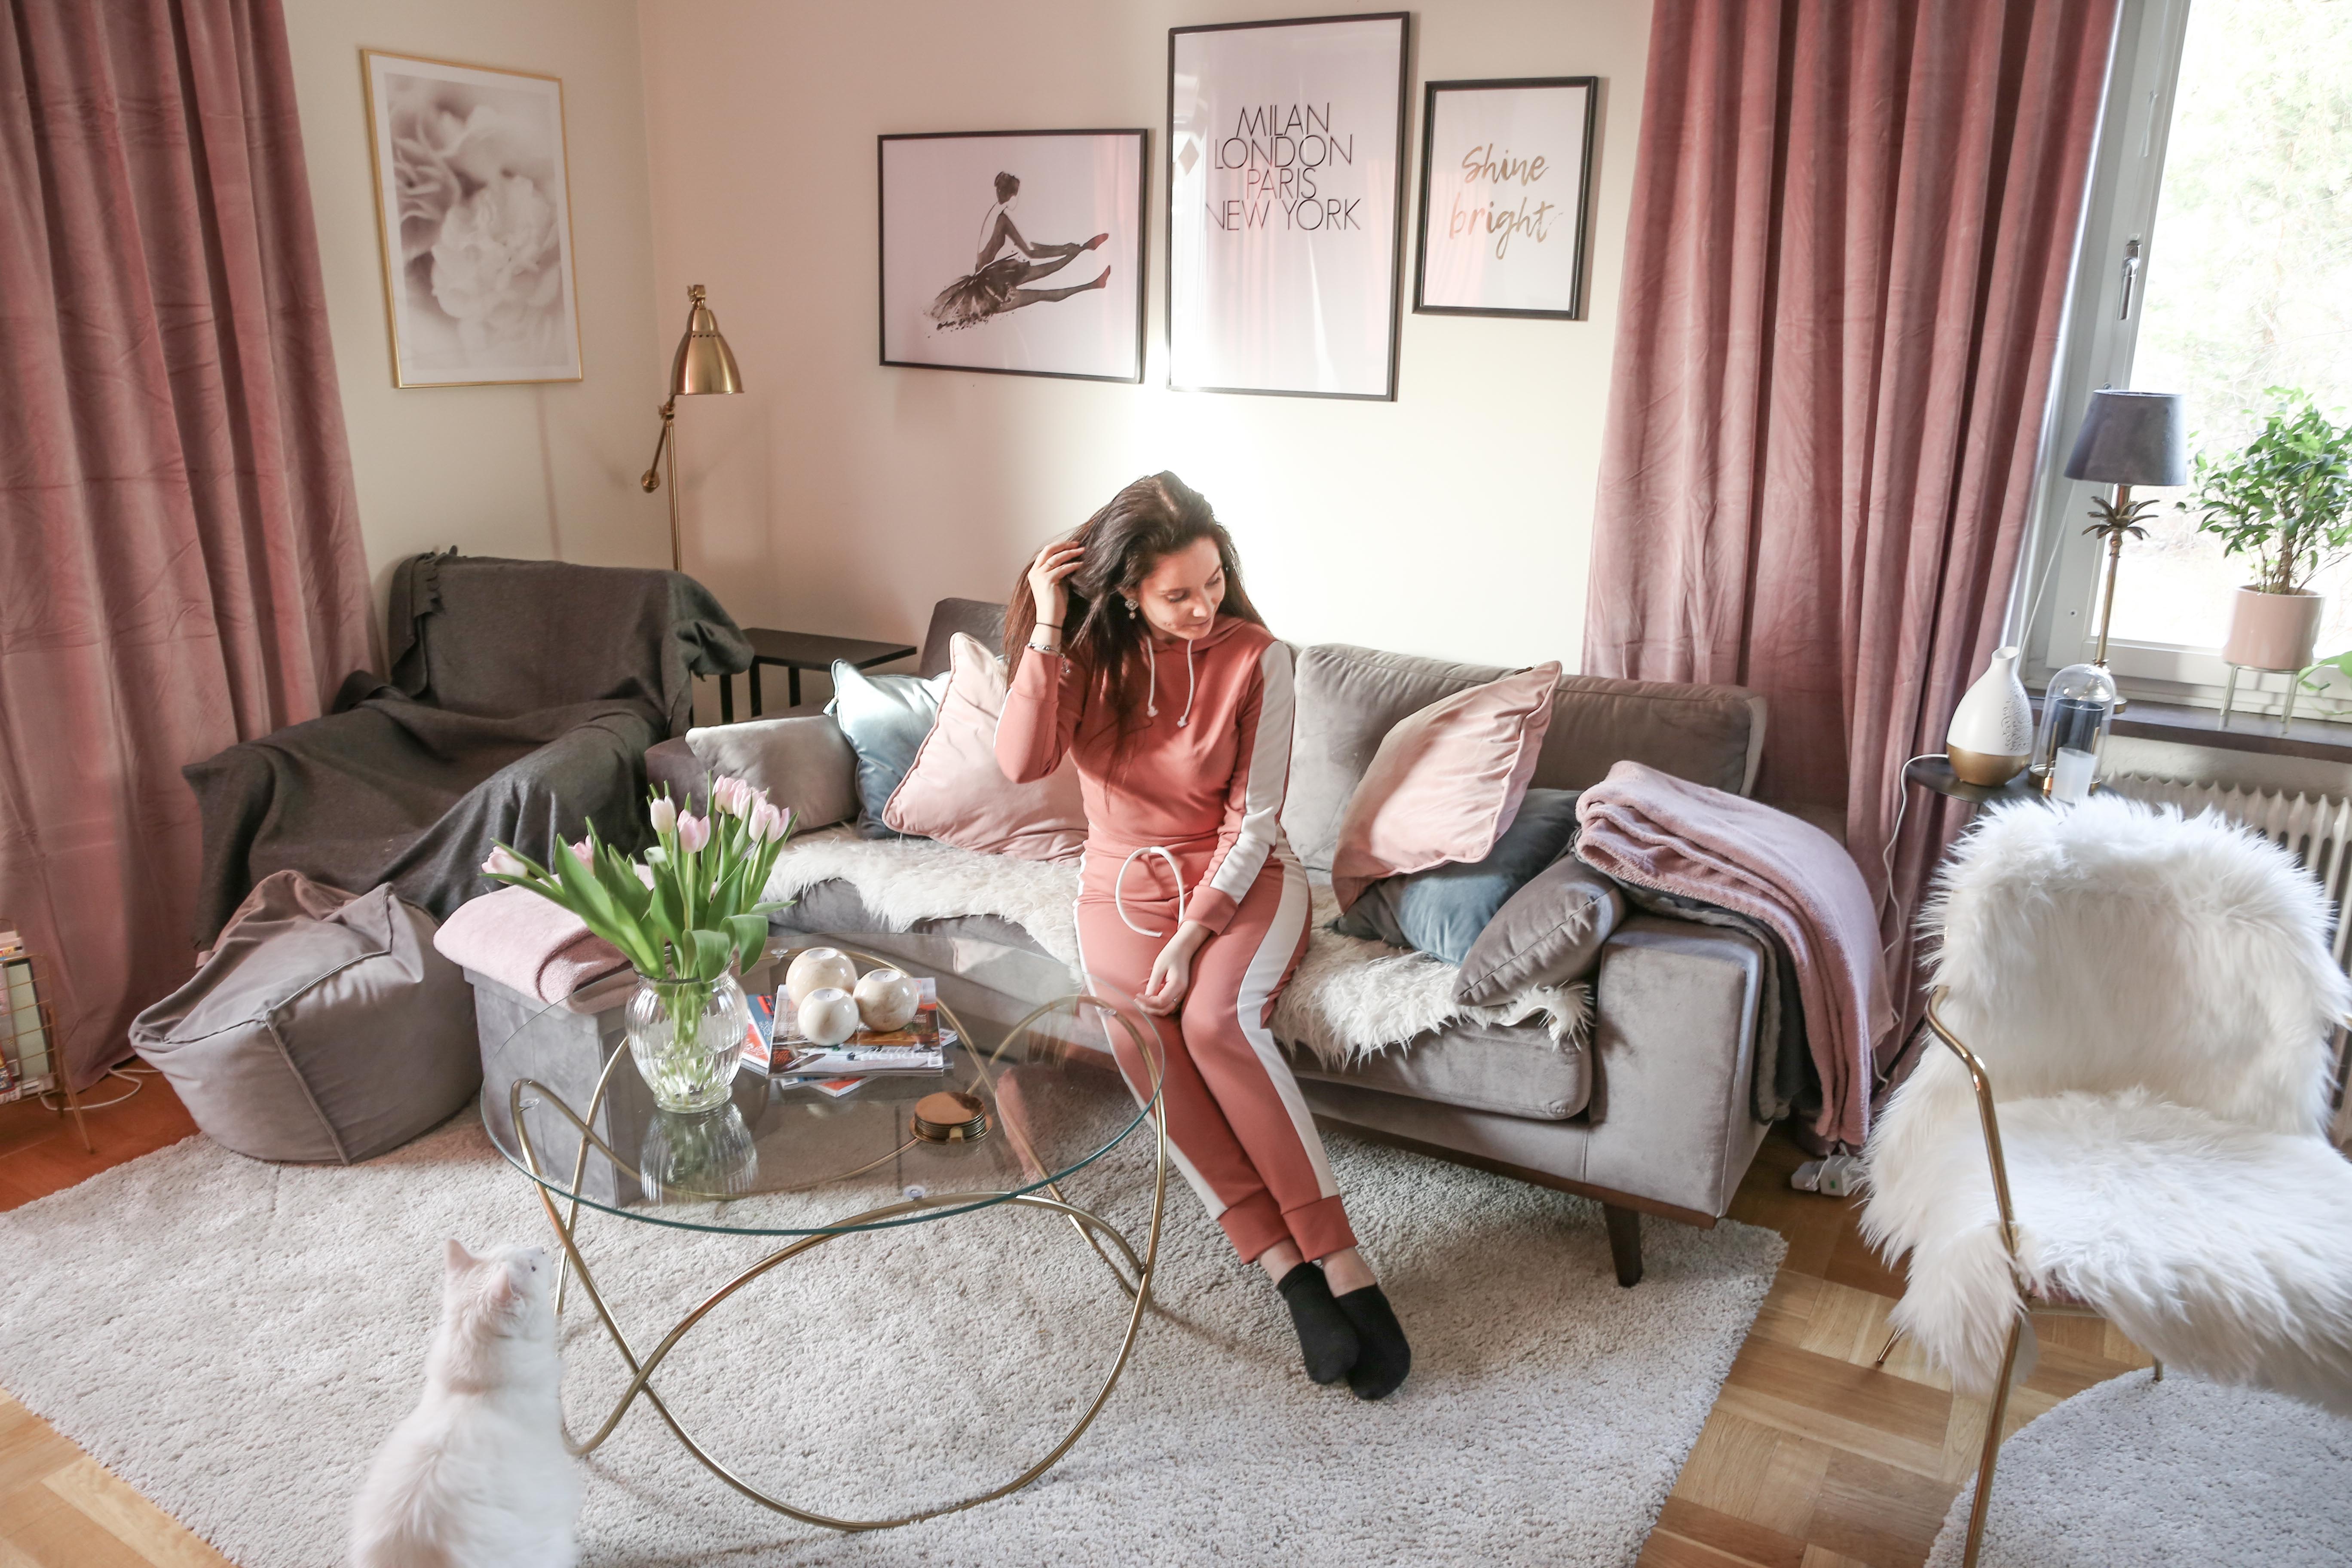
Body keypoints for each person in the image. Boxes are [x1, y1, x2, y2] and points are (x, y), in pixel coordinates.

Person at [995, 472, 1412, 1400]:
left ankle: (1342, 1261)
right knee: (1140, 1040)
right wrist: (1050, 623)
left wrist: (1191, 938)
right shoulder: (1085, 659)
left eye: (1213, 582)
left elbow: (1253, 820)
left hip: (1243, 878)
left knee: (1219, 1023)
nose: (1203, 607)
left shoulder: (1258, 658)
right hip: (1119, 886)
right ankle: (1285, 1270)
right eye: (1178, 594)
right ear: (1126, 592)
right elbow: (1021, 762)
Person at [928, 172, 1111, 331]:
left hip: (993, 276)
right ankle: (1090, 269)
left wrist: (1064, 249)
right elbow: (1031, 252)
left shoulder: (995, 214)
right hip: (988, 288)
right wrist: (1064, 249)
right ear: (1013, 196)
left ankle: (1087, 258)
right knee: (1043, 290)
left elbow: (1032, 247)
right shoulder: (1002, 220)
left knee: (1045, 278)